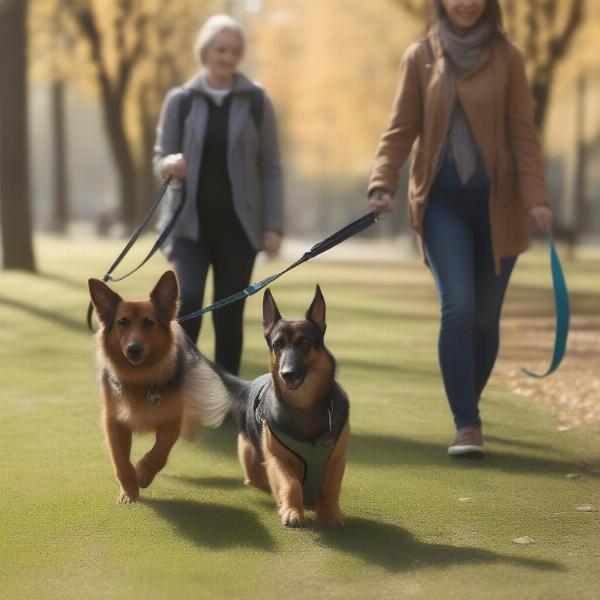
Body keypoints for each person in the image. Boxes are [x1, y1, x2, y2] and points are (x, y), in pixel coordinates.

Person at [367, 0, 552, 456]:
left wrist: (537, 199)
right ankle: (467, 424)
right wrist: (382, 182)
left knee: (486, 322)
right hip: (441, 203)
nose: (466, 3)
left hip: (499, 204)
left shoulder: (507, 58)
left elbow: (523, 133)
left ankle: (467, 402)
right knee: (459, 309)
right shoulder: (421, 56)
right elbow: (400, 129)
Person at [153, 14, 283, 376]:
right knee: (188, 303)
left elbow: (271, 166)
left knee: (229, 314)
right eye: (220, 49)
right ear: (205, 51)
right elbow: (159, 156)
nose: (226, 57)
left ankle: (228, 399)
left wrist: (272, 224)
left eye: (234, 51)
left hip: (238, 230)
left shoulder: (256, 102)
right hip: (188, 227)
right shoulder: (180, 100)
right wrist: (169, 164)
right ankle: (181, 388)